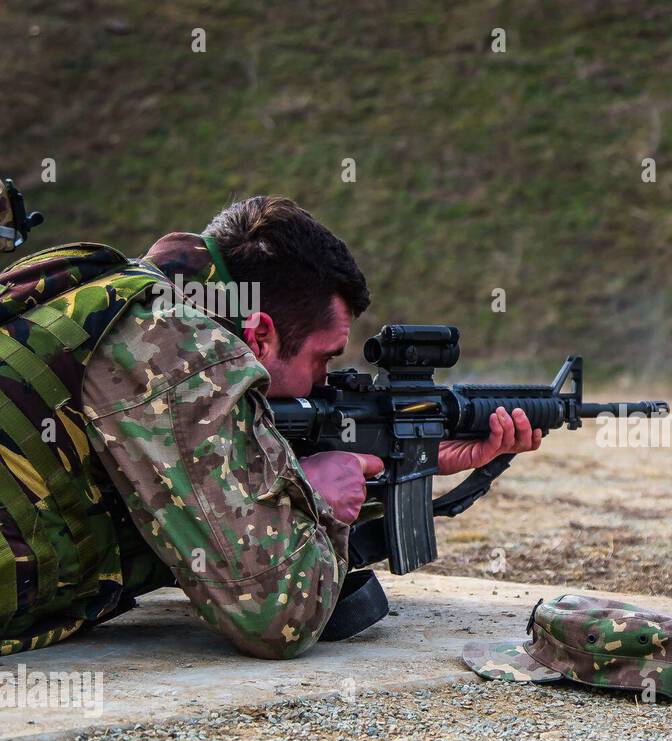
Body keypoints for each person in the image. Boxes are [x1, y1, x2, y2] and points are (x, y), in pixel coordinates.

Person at [0, 196, 543, 658]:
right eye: (322, 361)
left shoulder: (107, 297)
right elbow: (277, 615)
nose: (321, 384)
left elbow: (200, 500)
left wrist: (419, 458)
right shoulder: (176, 349)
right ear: (259, 336)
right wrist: (315, 497)